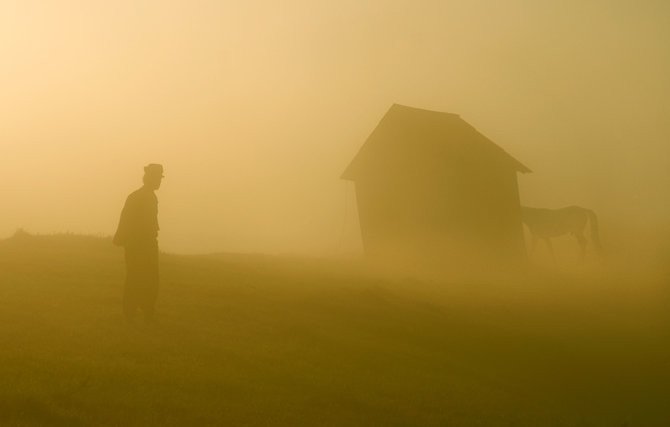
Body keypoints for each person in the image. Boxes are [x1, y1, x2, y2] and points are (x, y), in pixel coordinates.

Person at [113, 164, 164, 323]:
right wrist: (122, 238)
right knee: (139, 276)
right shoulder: (140, 196)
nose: (160, 182)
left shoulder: (144, 196)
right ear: (150, 178)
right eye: (158, 178)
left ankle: (143, 310)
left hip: (144, 243)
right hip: (139, 244)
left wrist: (121, 238)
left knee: (146, 277)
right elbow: (127, 218)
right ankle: (135, 311)